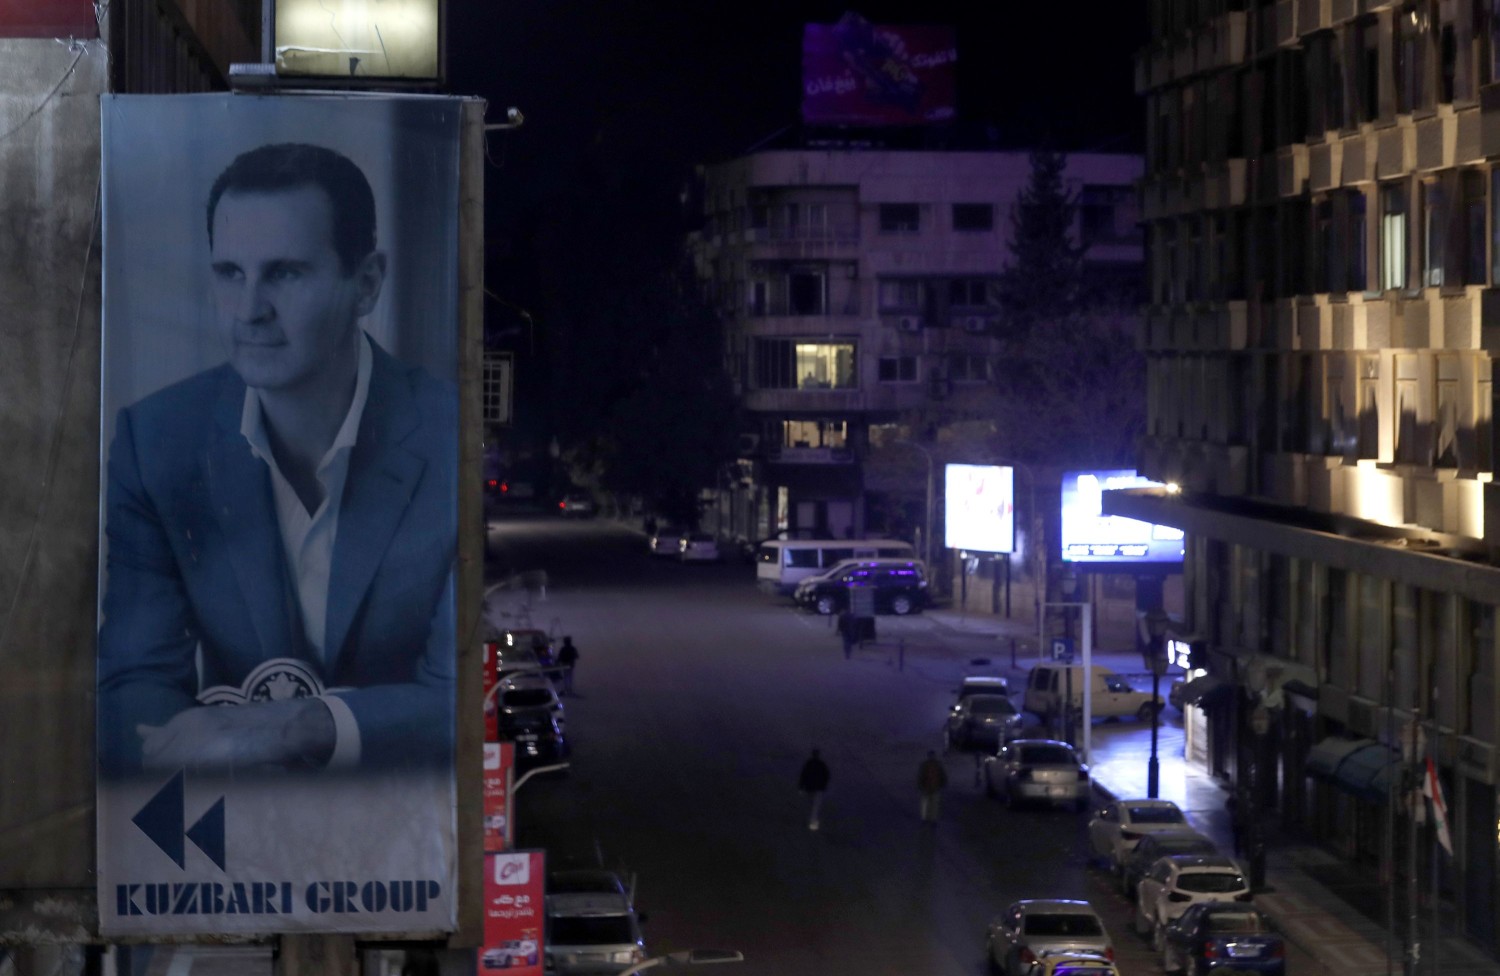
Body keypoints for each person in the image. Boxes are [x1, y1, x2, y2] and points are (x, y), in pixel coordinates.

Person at [97, 142, 457, 778]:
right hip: (229, 837)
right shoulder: (156, 442)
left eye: (285, 273)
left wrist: (309, 725)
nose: (249, 310)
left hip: (412, 837)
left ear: (367, 282)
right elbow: (135, 684)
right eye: (230, 273)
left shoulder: (449, 436)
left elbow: (459, 698)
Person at [798, 748, 831, 831]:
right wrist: (824, 786)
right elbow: (826, 776)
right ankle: (813, 824)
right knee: (815, 806)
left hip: (809, 787)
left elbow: (803, 775)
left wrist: (801, 787)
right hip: (819, 788)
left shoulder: (808, 764)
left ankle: (808, 821)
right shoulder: (821, 764)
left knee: (809, 805)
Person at [917, 750, 947, 825]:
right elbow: (943, 775)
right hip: (930, 786)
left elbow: (920, 776)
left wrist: (920, 785)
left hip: (931, 786)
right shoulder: (937, 765)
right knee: (931, 804)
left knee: (929, 804)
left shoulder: (926, 765)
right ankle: (929, 819)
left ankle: (928, 819)